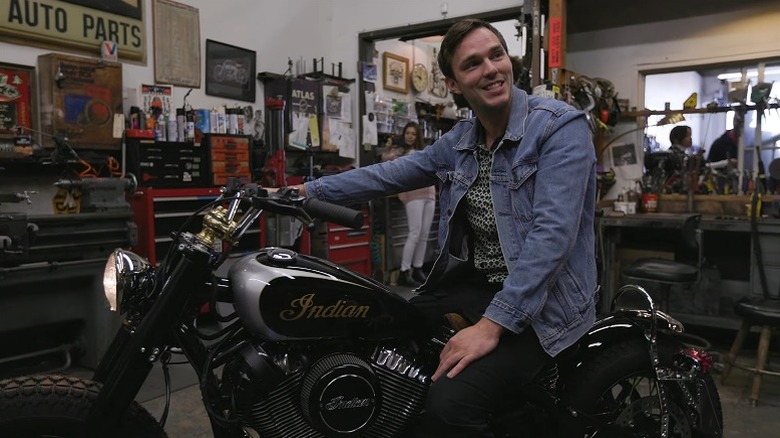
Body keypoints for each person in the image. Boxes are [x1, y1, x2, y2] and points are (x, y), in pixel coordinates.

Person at [292, 18, 597, 437]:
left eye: (496, 55)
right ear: (454, 84)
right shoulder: (460, 141)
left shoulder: (558, 127)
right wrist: (302, 191)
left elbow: (552, 236)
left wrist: (491, 328)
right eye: (473, 64)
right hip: (478, 285)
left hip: (546, 303)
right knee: (375, 330)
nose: (490, 69)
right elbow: (389, 174)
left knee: (449, 408)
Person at [381, 122, 437, 287]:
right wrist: (388, 148)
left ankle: (417, 268)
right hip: (413, 195)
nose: (410, 136)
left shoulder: (425, 151)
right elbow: (385, 160)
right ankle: (404, 272)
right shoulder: (399, 152)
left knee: (424, 234)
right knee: (414, 233)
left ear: (417, 135)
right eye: (407, 133)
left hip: (429, 194)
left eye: (413, 133)